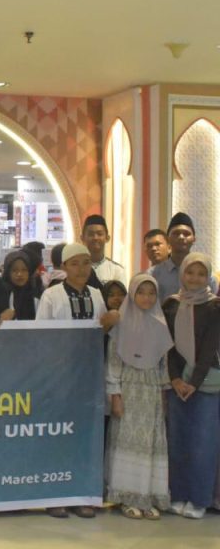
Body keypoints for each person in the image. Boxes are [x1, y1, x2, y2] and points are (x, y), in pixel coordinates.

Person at [104, 274, 172, 520]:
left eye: (151, 293)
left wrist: (163, 394)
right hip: (128, 390)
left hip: (151, 391)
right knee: (127, 443)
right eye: (141, 292)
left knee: (150, 445)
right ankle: (127, 498)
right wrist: (115, 395)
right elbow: (113, 363)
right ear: (132, 295)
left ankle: (147, 497)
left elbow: (164, 364)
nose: (146, 298)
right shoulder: (121, 323)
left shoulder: (160, 324)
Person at [160, 254, 220, 520]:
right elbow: (168, 346)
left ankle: (199, 499)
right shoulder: (171, 304)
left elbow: (210, 349)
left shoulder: (215, 306)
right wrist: (175, 379)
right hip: (177, 384)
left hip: (205, 385)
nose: (194, 278)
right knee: (178, 441)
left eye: (201, 274)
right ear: (182, 274)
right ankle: (178, 494)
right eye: (190, 273)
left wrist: (193, 382)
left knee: (203, 444)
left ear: (208, 277)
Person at [150, 212, 219, 302]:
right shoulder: (153, 274)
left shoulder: (207, 276)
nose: (181, 237)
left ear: (194, 239)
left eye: (186, 234)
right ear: (167, 239)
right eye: (176, 233)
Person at [82, 214, 127, 286]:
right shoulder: (75, 269)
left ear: (107, 238)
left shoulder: (117, 270)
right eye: (91, 234)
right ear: (82, 238)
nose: (95, 238)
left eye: (99, 234)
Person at [1, 250, 42, 321]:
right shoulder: (0, 297)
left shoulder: (36, 296)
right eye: (14, 270)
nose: (19, 274)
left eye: (24, 270)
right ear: (8, 272)